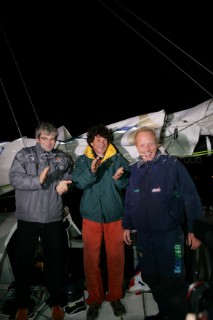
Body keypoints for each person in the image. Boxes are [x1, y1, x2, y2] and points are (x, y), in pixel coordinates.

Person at [122, 127, 202, 320]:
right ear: (137, 148)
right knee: (151, 277)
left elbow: (191, 197)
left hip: (170, 237)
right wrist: (126, 224)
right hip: (145, 239)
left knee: (174, 281)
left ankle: (181, 316)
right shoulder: (133, 171)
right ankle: (165, 313)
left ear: (157, 144)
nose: (147, 148)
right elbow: (130, 201)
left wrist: (195, 229)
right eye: (142, 145)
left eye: (150, 143)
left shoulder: (172, 165)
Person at [9, 121, 73, 320]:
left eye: (52, 139)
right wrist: (38, 180)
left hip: (53, 217)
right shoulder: (23, 155)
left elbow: (70, 175)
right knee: (23, 263)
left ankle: (55, 302)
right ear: (37, 138)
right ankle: (22, 304)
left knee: (54, 262)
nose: (49, 143)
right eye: (45, 138)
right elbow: (14, 178)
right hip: (28, 218)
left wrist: (65, 183)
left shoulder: (62, 157)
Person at [72, 123, 130, 320]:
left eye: (104, 140)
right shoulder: (82, 160)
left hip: (115, 217)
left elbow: (125, 182)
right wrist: (92, 171)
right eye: (98, 139)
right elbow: (79, 182)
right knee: (91, 261)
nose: (101, 143)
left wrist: (119, 177)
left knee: (116, 260)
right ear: (91, 141)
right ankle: (95, 299)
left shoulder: (117, 158)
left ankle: (114, 297)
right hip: (91, 217)